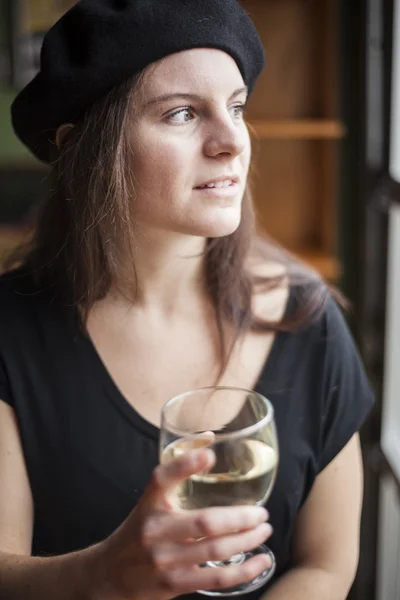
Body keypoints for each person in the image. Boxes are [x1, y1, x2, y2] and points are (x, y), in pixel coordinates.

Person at [0, 1, 374, 599]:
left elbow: (327, 565)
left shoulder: (305, 319)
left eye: (236, 106)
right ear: (82, 148)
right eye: (181, 113)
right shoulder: (11, 332)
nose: (232, 142)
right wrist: (101, 574)